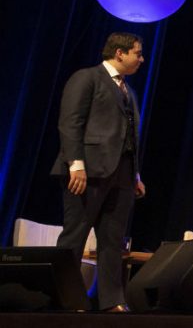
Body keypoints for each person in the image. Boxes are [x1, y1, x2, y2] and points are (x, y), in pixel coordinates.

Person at [50, 32, 146, 312]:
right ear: (119, 53)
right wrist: (75, 164)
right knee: (75, 236)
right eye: (137, 53)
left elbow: (129, 136)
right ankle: (63, 298)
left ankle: (112, 300)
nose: (141, 59)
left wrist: (136, 175)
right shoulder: (87, 78)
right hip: (88, 171)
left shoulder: (130, 91)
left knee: (113, 241)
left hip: (123, 174)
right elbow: (70, 123)